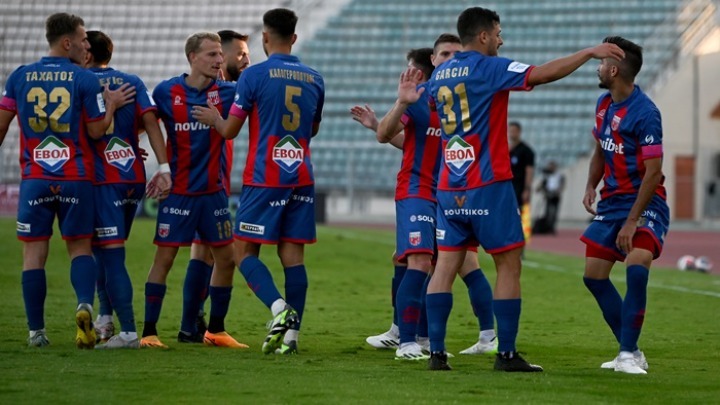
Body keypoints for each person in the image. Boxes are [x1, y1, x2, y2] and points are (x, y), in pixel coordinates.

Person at [424, 6, 624, 371]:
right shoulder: (489, 67)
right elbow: (542, 74)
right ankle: (506, 354)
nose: (501, 40)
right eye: (498, 33)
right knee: (508, 264)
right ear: (483, 36)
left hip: (449, 186)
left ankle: (436, 354)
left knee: (445, 266)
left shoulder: (440, 73)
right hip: (488, 184)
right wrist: (588, 53)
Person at [353, 35, 497, 359]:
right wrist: (398, 106)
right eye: (444, 53)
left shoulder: (465, 102)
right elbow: (390, 136)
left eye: (456, 54)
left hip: (453, 195)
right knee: (417, 260)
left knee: (453, 264)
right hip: (418, 190)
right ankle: (407, 338)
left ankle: (431, 336)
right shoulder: (418, 98)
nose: (450, 58)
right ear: (433, 60)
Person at [192, 8, 325, 355]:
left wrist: (214, 118)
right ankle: (292, 339)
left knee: (242, 251)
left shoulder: (253, 76)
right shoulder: (315, 78)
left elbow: (230, 130)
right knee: (293, 257)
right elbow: (312, 129)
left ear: (265, 37)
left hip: (266, 176)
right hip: (301, 175)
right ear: (294, 37)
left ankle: (279, 309)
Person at [0, 13, 133, 348]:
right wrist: (111, 106)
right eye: (83, 38)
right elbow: (96, 130)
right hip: (76, 177)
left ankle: (36, 332)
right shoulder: (84, 79)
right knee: (80, 249)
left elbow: (1, 127)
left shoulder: (19, 76)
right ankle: (84, 305)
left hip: (35, 178)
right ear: (67, 42)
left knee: (33, 255)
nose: (88, 45)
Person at [139, 32, 247, 349]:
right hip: (179, 193)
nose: (219, 60)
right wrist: (158, 165)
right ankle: (149, 333)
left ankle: (216, 330)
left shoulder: (228, 92)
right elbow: (144, 123)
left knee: (226, 259)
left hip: (214, 193)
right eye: (212, 54)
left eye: (220, 54)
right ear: (192, 57)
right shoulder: (166, 91)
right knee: (164, 259)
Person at [580, 36, 667, 375]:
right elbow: (600, 150)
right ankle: (631, 350)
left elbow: (654, 172)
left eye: (601, 63)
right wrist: (591, 184)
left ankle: (628, 353)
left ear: (614, 70)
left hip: (645, 202)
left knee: (637, 265)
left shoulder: (646, 113)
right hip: (612, 201)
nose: (598, 68)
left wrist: (633, 221)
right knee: (593, 275)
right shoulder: (604, 104)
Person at [84, 30, 172, 349]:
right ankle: (105, 318)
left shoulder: (79, 82)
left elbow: (86, 131)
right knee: (105, 251)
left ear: (86, 53)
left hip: (102, 179)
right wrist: (163, 167)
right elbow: (150, 123)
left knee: (109, 255)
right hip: (131, 176)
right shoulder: (132, 81)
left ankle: (129, 332)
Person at [180, 29, 251, 344]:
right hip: (208, 181)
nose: (246, 59)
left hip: (213, 178)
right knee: (221, 255)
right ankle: (203, 325)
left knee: (204, 253)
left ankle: (193, 323)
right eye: (241, 54)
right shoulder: (219, 91)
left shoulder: (226, 90)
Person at [508, 121, 535, 245]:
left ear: (519, 132)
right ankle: (510, 241)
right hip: (509, 187)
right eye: (510, 131)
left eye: (514, 131)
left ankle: (523, 242)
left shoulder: (526, 151)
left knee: (522, 215)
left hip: (520, 188)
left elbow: (529, 171)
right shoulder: (508, 150)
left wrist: (527, 189)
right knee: (509, 215)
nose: (511, 133)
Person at [536, 160, 564, 234]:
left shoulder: (559, 175)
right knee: (548, 212)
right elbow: (542, 183)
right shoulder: (547, 175)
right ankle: (547, 227)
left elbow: (561, 185)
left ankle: (552, 227)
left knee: (554, 212)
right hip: (548, 195)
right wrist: (539, 189)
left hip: (555, 196)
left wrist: (558, 192)